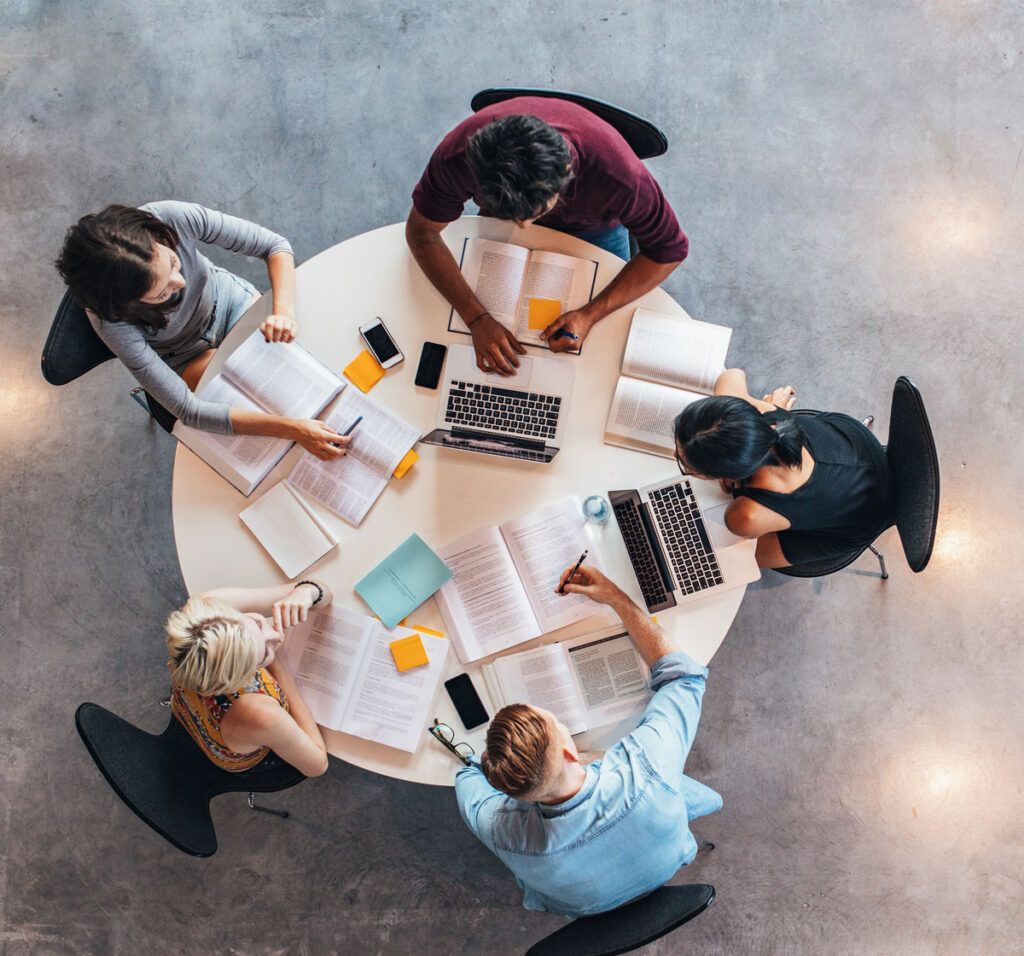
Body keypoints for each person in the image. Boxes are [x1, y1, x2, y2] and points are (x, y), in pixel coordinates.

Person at [455, 565, 721, 918]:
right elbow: (684, 677)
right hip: (669, 857)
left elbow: (466, 779)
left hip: (583, 907)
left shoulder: (502, 832)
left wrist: (488, 764)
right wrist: (616, 597)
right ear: (569, 751)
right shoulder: (646, 768)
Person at [406, 97, 688, 375]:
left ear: (567, 173)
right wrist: (476, 318)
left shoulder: (619, 177)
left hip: (596, 227)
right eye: (515, 216)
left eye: (534, 212)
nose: (524, 227)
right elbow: (422, 233)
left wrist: (591, 314)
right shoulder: (457, 155)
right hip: (505, 222)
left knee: (600, 349)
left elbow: (669, 251)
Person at [55, 201, 348, 461]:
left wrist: (283, 312)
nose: (180, 283)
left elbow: (274, 245)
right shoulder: (111, 320)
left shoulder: (170, 217)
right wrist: (292, 430)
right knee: (263, 407)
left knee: (306, 365)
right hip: (183, 355)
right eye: (161, 293)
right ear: (126, 305)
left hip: (232, 304)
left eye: (172, 262)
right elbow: (189, 410)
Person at [673, 368, 892, 568]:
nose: (674, 455)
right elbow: (732, 375)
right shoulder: (762, 413)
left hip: (862, 519)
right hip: (859, 447)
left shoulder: (744, 516)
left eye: (685, 466)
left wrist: (737, 487)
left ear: (722, 475)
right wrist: (771, 408)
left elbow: (741, 520)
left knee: (737, 561)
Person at [165, 580, 330, 777]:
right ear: (243, 679)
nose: (277, 636)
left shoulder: (206, 609)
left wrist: (307, 592)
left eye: (258, 623)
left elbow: (322, 590)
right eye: (264, 654)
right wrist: (280, 667)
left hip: (188, 706)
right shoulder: (262, 714)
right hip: (240, 752)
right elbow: (317, 765)